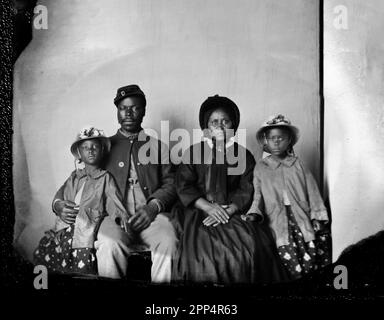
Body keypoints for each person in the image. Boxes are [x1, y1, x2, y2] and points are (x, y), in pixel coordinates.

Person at [52, 85, 178, 282]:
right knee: (110, 244)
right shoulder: (102, 146)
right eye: (122, 108)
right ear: (117, 112)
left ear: (143, 111)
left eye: (134, 107)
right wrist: (58, 204)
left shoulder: (158, 147)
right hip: (111, 217)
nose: (128, 112)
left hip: (152, 217)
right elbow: (77, 178)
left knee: (168, 241)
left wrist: (153, 207)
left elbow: (171, 184)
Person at [172, 95, 287, 284]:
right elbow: (184, 185)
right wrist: (209, 207)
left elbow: (248, 187)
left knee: (249, 245)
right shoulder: (193, 153)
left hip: (232, 211)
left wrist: (231, 209)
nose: (220, 126)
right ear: (206, 128)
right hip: (199, 210)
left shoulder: (243, 155)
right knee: (198, 253)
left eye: (225, 121)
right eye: (214, 122)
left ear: (233, 127)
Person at [34, 126, 133, 275]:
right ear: (79, 153)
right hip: (66, 230)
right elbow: (61, 197)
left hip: (85, 230)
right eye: (85, 147)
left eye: (95, 147)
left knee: (82, 266)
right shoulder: (74, 177)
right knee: (46, 252)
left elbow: (114, 203)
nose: (91, 150)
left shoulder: (106, 178)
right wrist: (60, 212)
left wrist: (121, 218)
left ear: (102, 151)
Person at [245, 114, 331, 280]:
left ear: (289, 140)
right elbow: (258, 195)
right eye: (271, 138)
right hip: (277, 220)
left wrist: (317, 217)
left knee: (313, 251)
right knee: (285, 256)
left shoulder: (298, 164)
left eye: (280, 138)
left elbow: (313, 192)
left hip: (301, 217)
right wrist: (254, 212)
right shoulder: (261, 168)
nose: (276, 142)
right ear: (265, 141)